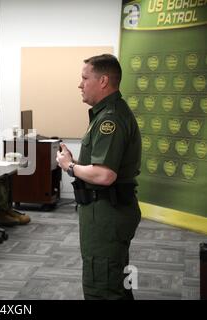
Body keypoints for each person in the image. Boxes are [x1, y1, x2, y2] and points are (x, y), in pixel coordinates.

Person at [56, 54, 141, 300]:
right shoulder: (107, 114)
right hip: (109, 211)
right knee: (116, 281)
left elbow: (104, 175)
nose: (80, 84)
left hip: (106, 213)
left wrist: (70, 166)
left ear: (103, 81)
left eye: (85, 78)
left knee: (102, 288)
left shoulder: (109, 119)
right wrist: (78, 163)